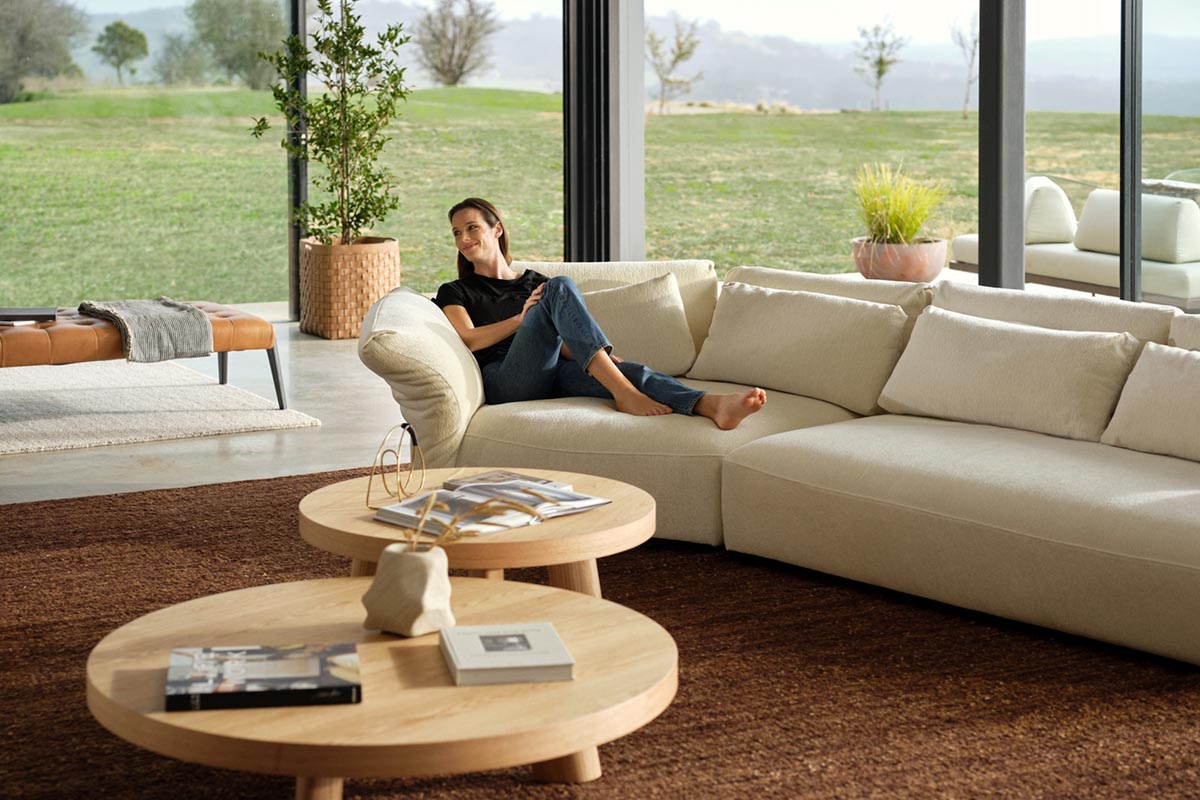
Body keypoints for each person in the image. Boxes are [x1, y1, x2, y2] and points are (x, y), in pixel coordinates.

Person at [434, 197, 766, 430]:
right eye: (456, 233)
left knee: (631, 371)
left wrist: (600, 359)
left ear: (497, 230)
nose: (463, 238)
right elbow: (469, 339)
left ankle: (712, 406)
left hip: (551, 373)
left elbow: (558, 338)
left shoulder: (534, 282)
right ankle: (624, 395)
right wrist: (521, 320)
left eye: (471, 228)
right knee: (560, 286)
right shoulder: (457, 290)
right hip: (505, 380)